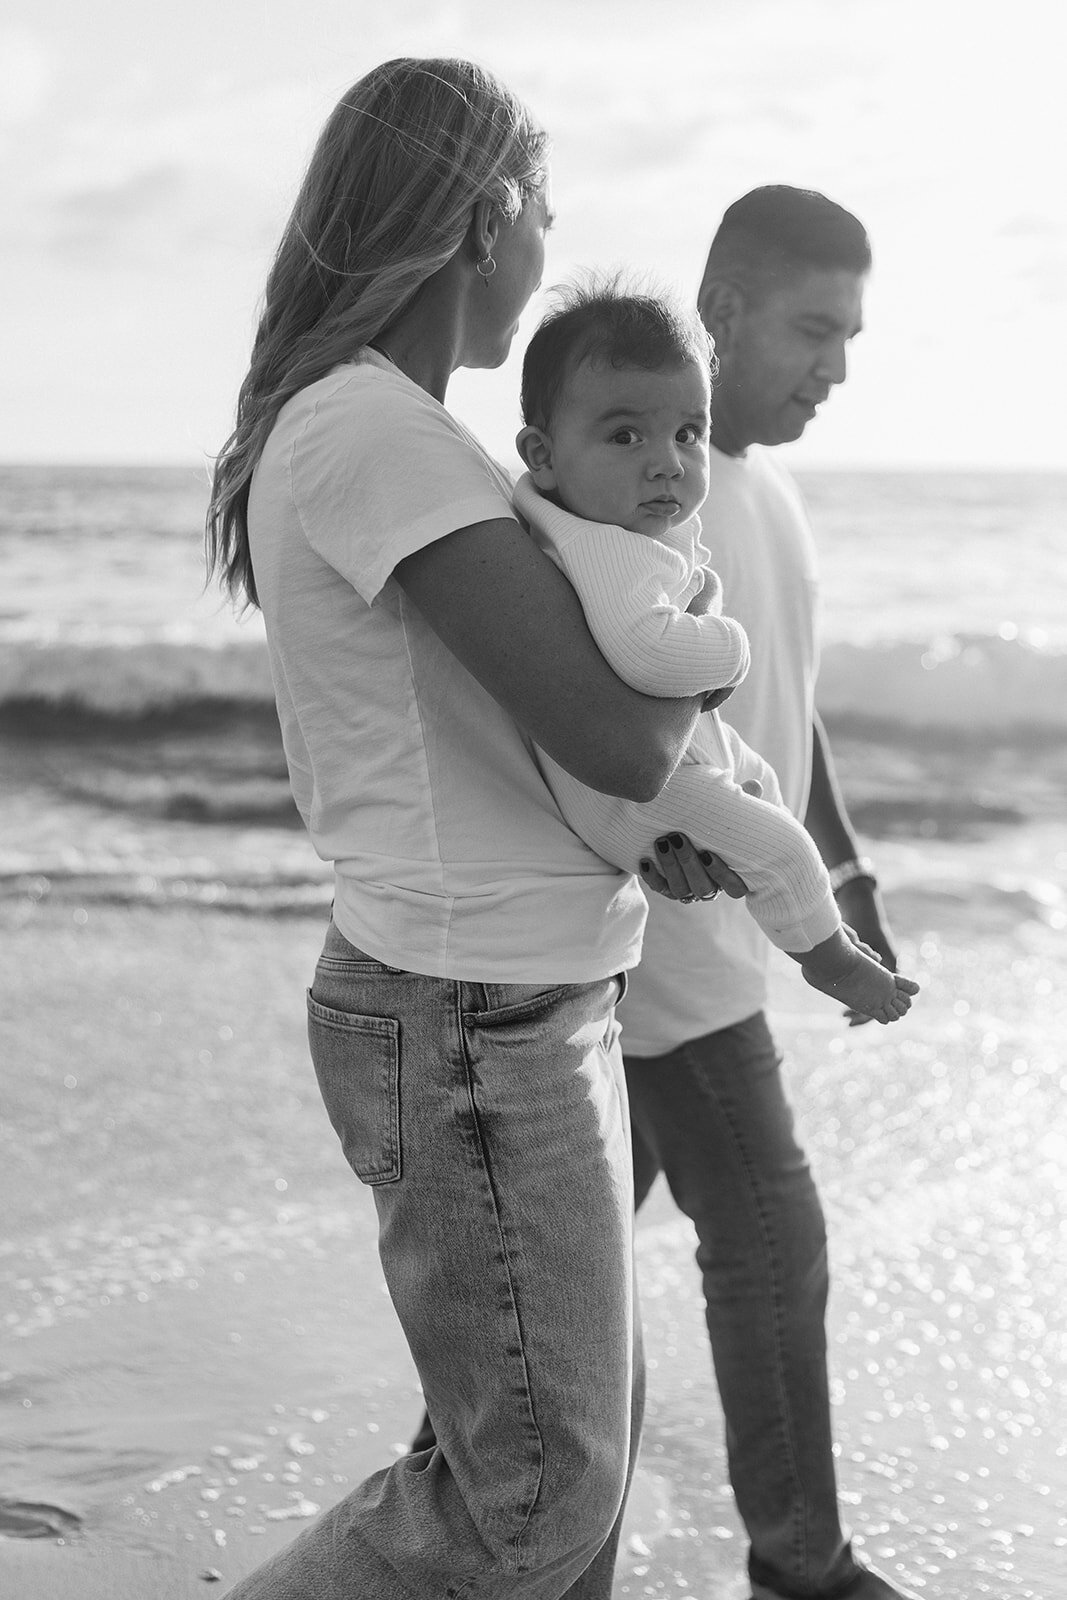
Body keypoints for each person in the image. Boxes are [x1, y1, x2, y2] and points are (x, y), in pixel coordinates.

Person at [205, 58, 715, 1600]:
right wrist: (694, 674)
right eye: (543, 213)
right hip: (464, 1011)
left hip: (512, 993)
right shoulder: (373, 430)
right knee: (535, 1500)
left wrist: (647, 827)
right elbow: (617, 728)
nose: (547, 251)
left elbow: (515, 743)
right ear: (484, 219)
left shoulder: (391, 429)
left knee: (562, 1476)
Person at [623, 187, 923, 1600]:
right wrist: (642, 830)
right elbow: (590, 713)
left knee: (557, 1295)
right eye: (812, 328)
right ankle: (800, 1573)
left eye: (850, 336)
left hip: (719, 966)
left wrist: (845, 873)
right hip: (639, 974)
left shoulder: (776, 500)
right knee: (751, 1256)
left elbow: (785, 727)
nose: (833, 368)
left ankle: (490, 1542)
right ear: (721, 306)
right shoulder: (648, 503)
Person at [511, 283, 917, 1025]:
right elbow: (648, 654)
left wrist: (851, 873)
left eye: (685, 435)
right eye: (625, 436)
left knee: (766, 812)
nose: (666, 464)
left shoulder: (687, 510)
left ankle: (813, 923)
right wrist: (729, 647)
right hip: (662, 872)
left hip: (697, 849)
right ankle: (831, 966)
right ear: (542, 455)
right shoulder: (603, 546)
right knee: (780, 849)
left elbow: (796, 698)